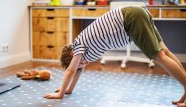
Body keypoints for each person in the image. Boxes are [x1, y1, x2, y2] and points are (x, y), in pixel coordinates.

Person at [43, 6, 186, 107]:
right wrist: (68, 90)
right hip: (137, 14)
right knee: (165, 52)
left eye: (79, 63)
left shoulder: (78, 45)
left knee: (158, 56)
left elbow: (71, 71)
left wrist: (60, 94)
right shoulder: (82, 48)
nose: (83, 65)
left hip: (131, 19)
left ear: (72, 54)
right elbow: (76, 72)